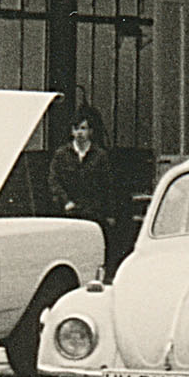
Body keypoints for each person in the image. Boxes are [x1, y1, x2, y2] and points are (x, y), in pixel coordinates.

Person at [49, 104, 130, 270]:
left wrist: (110, 213)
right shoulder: (61, 155)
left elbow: (108, 185)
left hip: (93, 212)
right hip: (69, 212)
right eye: (76, 129)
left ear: (90, 131)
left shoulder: (100, 156)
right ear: (71, 131)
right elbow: (54, 181)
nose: (79, 132)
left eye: (83, 128)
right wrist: (66, 201)